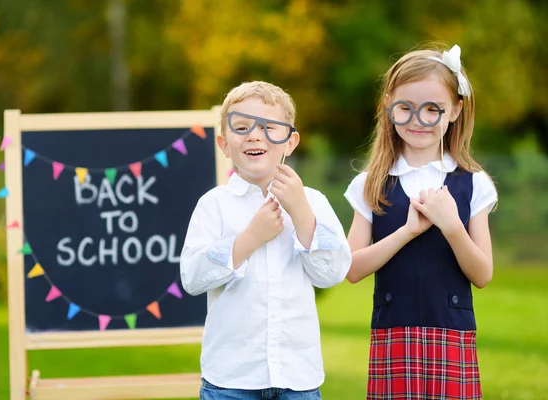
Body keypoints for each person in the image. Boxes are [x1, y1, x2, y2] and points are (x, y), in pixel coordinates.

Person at [181, 81, 351, 399]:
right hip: (231, 380)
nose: (255, 135)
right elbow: (192, 276)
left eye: (270, 127)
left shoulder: (312, 202)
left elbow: (332, 273)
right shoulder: (214, 204)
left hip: (297, 378)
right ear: (224, 144)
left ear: (290, 141)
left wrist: (301, 214)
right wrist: (248, 239)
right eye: (242, 127)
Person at [344, 44, 497, 399]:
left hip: (452, 334)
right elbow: (350, 269)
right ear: (389, 107)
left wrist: (451, 226)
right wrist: (408, 232)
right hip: (392, 335)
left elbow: (483, 274)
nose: (418, 120)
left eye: (433, 109)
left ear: (456, 110)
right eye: (406, 109)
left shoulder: (473, 184)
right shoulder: (369, 184)